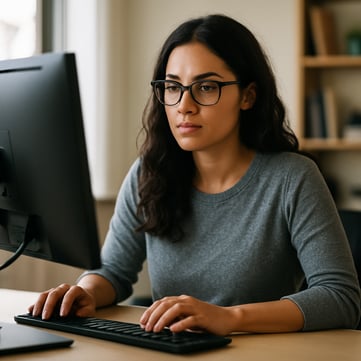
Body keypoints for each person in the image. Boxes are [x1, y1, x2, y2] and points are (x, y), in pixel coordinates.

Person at [29, 14, 360, 335]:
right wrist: (85, 291)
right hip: (173, 350)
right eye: (172, 87)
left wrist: (230, 318)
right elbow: (114, 271)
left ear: (248, 96)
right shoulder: (149, 172)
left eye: (206, 87)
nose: (184, 105)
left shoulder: (293, 178)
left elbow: (340, 297)